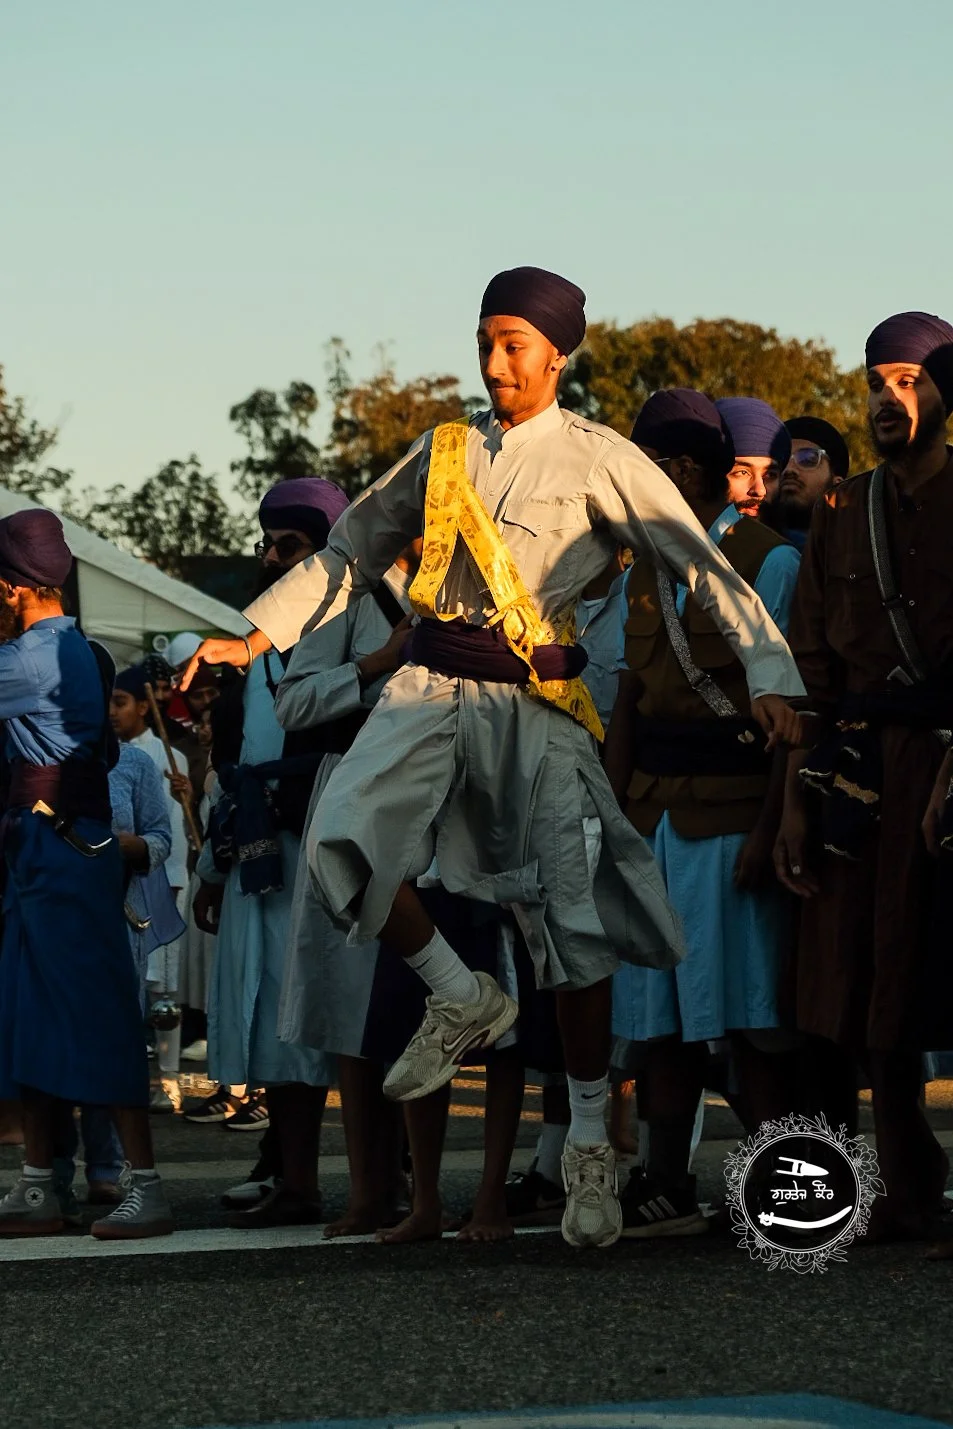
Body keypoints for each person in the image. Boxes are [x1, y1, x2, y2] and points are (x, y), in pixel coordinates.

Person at [183, 266, 804, 1248]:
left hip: (533, 700)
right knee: (339, 846)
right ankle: (459, 990)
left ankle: (593, 1143)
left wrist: (770, 671)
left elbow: (698, 561)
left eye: (514, 342)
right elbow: (346, 553)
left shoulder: (600, 457)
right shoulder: (439, 453)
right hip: (428, 688)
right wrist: (249, 639)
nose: (494, 358)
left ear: (555, 355)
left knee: (571, 933)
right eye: (485, 339)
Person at [775, 311, 953, 1243]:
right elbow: (807, 667)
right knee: (854, 982)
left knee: (932, 970)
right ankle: (890, 1178)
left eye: (909, 379)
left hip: (946, 760)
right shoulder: (840, 511)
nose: (889, 397)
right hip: (856, 768)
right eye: (877, 380)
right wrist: (795, 805)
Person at [605, 389, 801, 1236]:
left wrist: (772, 829)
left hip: (733, 820)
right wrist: (610, 827)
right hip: (652, 822)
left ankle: (773, 1182)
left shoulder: (769, 561)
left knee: (750, 1018)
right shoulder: (638, 570)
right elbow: (625, 707)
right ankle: (663, 1176)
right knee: (660, 1022)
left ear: (678, 470)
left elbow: (794, 711)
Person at [0, 509, 173, 1238]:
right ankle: (42, 1182)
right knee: (30, 1017)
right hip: (58, 848)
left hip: (60, 852)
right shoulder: (88, 652)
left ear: (13, 589)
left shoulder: (27, 661)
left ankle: (147, 1184)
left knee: (95, 1018)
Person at [192, 478, 346, 1228]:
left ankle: (330, 1176)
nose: (273, 557)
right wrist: (212, 868)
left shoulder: (347, 633)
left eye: (291, 544)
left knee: (314, 1019)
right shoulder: (246, 650)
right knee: (268, 1020)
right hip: (258, 854)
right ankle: (288, 1170)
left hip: (322, 849)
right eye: (269, 544)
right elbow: (232, 768)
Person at [52, 740, 183, 1211]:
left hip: (116, 919)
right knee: (53, 1047)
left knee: (110, 1044)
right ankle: (52, 1170)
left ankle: (106, 1168)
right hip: (51, 918)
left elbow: (160, 836)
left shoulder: (132, 761)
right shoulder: (31, 753)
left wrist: (134, 846)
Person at [111, 664, 191, 1104]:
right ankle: (132, 1078)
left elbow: (168, 827)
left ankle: (170, 1082)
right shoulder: (104, 758)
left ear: (144, 706)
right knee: (133, 986)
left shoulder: (159, 755)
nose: (112, 712)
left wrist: (187, 794)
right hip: (124, 884)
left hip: (163, 877)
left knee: (165, 992)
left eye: (120, 703)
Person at [770, 416, 850, 548]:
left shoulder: (859, 551)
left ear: (837, 485)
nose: (789, 469)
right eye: (782, 460)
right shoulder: (741, 541)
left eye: (808, 459)